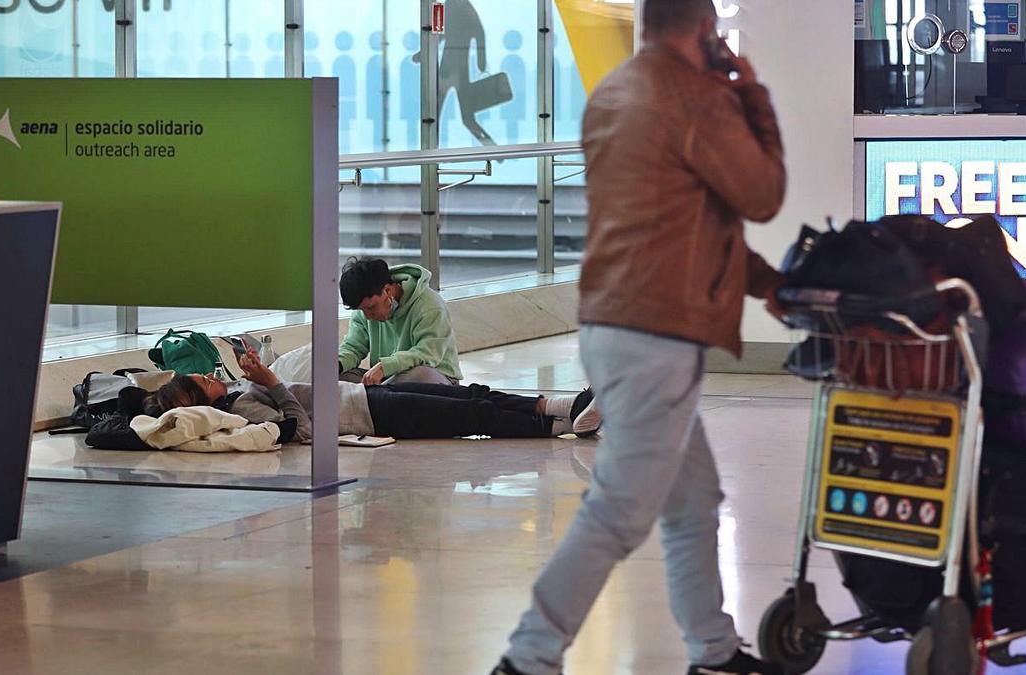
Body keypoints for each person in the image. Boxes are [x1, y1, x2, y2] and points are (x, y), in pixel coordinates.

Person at [493, 1, 787, 674]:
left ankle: (713, 650)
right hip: (656, 335)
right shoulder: (697, 99)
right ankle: (527, 657)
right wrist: (755, 95)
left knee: (692, 500)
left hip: (610, 322)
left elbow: (671, 224)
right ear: (708, 32)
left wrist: (765, 281)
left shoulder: (614, 93)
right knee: (619, 511)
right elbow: (764, 193)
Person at [146, 350, 602, 442]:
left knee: (470, 396)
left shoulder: (237, 396)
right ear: (199, 401)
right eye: (203, 382)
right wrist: (270, 382)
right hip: (372, 416)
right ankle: (563, 422)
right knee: (472, 415)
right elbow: (302, 430)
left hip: (364, 396)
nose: (210, 375)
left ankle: (562, 409)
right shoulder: (240, 409)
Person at [339, 258, 463, 386]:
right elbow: (353, 347)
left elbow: (427, 355)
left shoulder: (430, 306)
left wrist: (385, 367)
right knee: (333, 376)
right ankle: (379, 396)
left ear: (387, 290)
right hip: (388, 380)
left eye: (370, 308)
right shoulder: (364, 308)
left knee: (420, 375)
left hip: (436, 379)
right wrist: (337, 364)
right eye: (361, 310)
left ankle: (375, 396)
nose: (368, 316)